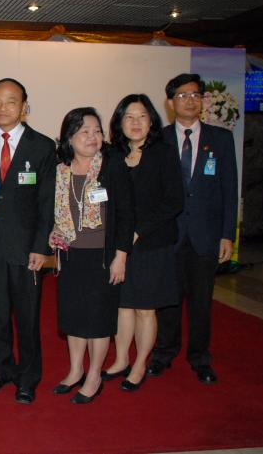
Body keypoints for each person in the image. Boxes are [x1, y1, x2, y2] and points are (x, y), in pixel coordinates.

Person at [147, 73, 238, 385]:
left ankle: (200, 358)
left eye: (195, 95)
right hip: (168, 234)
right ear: (170, 103)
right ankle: (163, 353)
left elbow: (229, 189)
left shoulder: (221, 139)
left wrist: (227, 234)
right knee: (167, 300)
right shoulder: (158, 139)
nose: (190, 100)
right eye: (182, 95)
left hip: (206, 235)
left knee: (201, 302)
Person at [0, 78, 56, 404]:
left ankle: (28, 377)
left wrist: (41, 247)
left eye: (11, 101)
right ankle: (0, 369)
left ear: (24, 107)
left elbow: (47, 203)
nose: (3, 107)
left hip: (26, 248)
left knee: (27, 316)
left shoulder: (42, 146)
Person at [49, 107, 133, 404]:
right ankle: (75, 370)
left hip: (103, 257)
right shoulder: (60, 169)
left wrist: (120, 257)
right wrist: (52, 233)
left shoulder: (112, 166)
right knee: (74, 317)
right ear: (69, 137)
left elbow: (127, 214)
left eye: (97, 131)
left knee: (98, 320)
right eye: (84, 131)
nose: (92, 137)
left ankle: (94, 375)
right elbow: (51, 211)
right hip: (70, 254)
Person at [103, 94, 183, 391]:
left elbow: (173, 201)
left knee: (145, 309)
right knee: (123, 305)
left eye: (142, 116)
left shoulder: (163, 153)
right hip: (118, 243)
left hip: (152, 243)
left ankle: (139, 364)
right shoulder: (112, 155)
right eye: (129, 117)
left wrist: (137, 232)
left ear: (152, 121)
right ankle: (122, 358)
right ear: (119, 122)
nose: (135, 123)